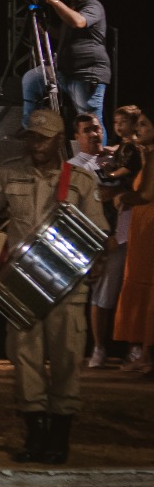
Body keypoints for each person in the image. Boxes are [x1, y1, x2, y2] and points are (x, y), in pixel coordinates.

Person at [0, 109, 109, 464]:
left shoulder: (80, 181)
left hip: (67, 286)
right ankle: (35, 434)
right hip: (22, 284)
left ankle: (59, 437)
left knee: (65, 359)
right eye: (31, 137)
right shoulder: (10, 171)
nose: (35, 144)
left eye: (42, 138)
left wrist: (96, 262)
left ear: (59, 140)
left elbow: (98, 232)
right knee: (25, 360)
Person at [21, 0, 110, 139]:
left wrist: (53, 1)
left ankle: (98, 161)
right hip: (64, 72)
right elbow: (62, 34)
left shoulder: (93, 6)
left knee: (91, 122)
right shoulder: (71, 8)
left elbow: (78, 22)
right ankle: (31, 129)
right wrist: (44, 26)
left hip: (86, 73)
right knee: (31, 79)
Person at [90, 106, 140, 367]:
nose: (120, 126)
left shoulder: (134, 151)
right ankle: (101, 348)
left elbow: (128, 174)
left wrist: (109, 177)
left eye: (125, 122)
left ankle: (135, 347)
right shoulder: (119, 150)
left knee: (132, 289)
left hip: (132, 228)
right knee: (105, 291)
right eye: (116, 122)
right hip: (114, 230)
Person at [113, 107, 154, 374]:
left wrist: (120, 197)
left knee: (149, 289)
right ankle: (143, 353)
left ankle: (147, 356)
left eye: (143, 124)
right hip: (142, 229)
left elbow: (146, 194)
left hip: (149, 229)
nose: (137, 129)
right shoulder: (146, 154)